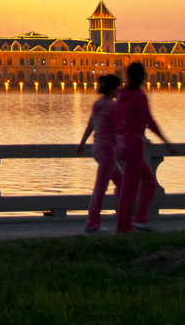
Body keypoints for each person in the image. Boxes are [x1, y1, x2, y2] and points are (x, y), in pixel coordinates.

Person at [115, 61, 175, 233]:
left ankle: (137, 218)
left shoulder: (121, 95)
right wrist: (167, 141)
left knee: (146, 182)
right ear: (142, 77)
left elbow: (119, 120)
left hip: (123, 144)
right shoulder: (139, 96)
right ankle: (126, 226)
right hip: (134, 145)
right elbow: (149, 121)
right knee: (130, 188)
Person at [75, 74, 123, 233]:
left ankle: (122, 215)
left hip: (97, 148)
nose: (120, 90)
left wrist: (82, 144)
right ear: (113, 89)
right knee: (100, 188)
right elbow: (120, 128)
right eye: (118, 87)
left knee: (122, 183)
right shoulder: (113, 106)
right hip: (107, 150)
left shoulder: (99, 104)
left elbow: (91, 124)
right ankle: (92, 223)